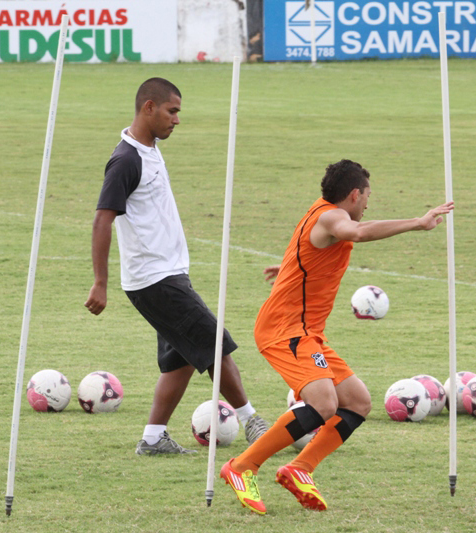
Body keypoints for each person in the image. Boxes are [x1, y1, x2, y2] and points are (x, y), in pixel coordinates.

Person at [220, 159, 454, 514]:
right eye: (367, 197)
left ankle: (299, 468)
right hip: (285, 329)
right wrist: (418, 223)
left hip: (307, 332)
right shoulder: (331, 217)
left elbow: (310, 247)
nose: (368, 205)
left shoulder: (321, 214)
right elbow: (356, 232)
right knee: (324, 403)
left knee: (358, 402)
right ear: (354, 194)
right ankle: (241, 467)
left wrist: (286, 269)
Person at [85, 77, 267, 455]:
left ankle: (153, 438)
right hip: (154, 279)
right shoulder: (126, 160)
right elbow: (103, 219)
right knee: (215, 343)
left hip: (167, 273)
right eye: (172, 111)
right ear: (148, 107)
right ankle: (253, 422)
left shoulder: (148, 149)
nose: (177, 120)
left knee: (183, 358)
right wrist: (99, 282)